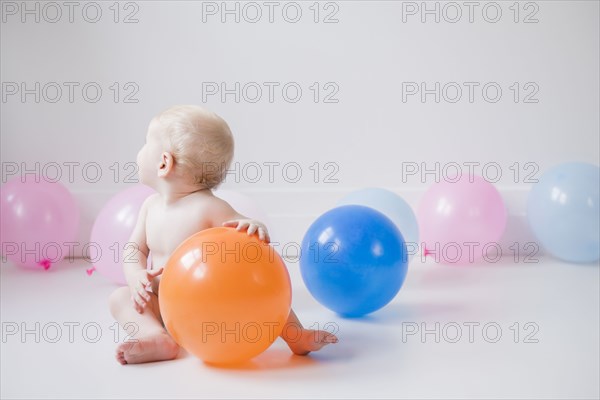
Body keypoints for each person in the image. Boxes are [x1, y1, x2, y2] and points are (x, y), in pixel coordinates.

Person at [108, 105, 338, 365]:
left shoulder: (208, 207)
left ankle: (296, 336)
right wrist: (136, 275)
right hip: (162, 305)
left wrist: (251, 225)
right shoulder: (149, 207)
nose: (139, 151)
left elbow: (237, 224)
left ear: (163, 162)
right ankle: (156, 336)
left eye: (145, 143)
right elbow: (134, 250)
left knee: (263, 287)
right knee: (119, 298)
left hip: (206, 309)